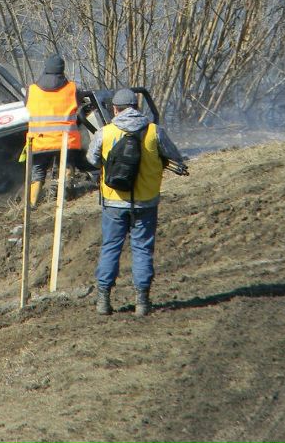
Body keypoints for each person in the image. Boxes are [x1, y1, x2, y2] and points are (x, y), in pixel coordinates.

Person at [86, 88, 187, 318]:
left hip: (113, 201)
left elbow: (92, 160)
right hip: (146, 202)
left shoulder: (106, 132)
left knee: (111, 247)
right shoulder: (154, 131)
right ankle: (142, 301)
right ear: (137, 107)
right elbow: (176, 156)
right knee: (142, 248)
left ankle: (103, 300)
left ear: (115, 109)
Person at [24, 54, 81, 207]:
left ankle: (32, 203)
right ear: (62, 70)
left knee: (38, 172)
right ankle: (65, 199)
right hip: (66, 140)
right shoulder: (72, 88)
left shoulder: (32, 90)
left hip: (40, 140)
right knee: (67, 166)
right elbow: (79, 105)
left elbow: (27, 107)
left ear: (45, 69)